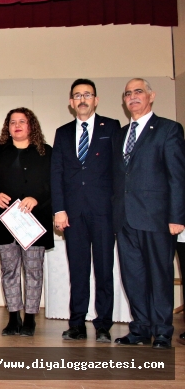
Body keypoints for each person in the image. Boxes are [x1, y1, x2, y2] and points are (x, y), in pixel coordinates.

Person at [112, 78, 185, 349]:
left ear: (151, 96)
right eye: (128, 93)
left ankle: (163, 331)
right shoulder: (119, 134)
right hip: (124, 219)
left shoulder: (168, 129)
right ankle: (140, 328)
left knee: (159, 275)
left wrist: (177, 216)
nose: (132, 97)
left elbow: (177, 177)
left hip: (157, 218)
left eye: (138, 91)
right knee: (133, 276)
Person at [51, 79, 120, 343]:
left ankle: (103, 325)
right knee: (78, 270)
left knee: (104, 269)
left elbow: (118, 170)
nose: (82, 99)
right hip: (73, 214)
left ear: (96, 99)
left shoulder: (111, 127)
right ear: (71, 102)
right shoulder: (63, 132)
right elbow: (57, 173)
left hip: (103, 211)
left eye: (87, 95)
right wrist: (59, 209)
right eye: (77, 95)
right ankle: (77, 323)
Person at [0, 107, 52, 337]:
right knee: (9, 271)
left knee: (33, 271)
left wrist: (37, 198)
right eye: (12, 122)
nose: (17, 125)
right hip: (5, 222)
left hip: (35, 223)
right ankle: (13, 317)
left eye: (22, 121)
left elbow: (54, 186)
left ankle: (30, 319)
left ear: (31, 125)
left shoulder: (46, 152)